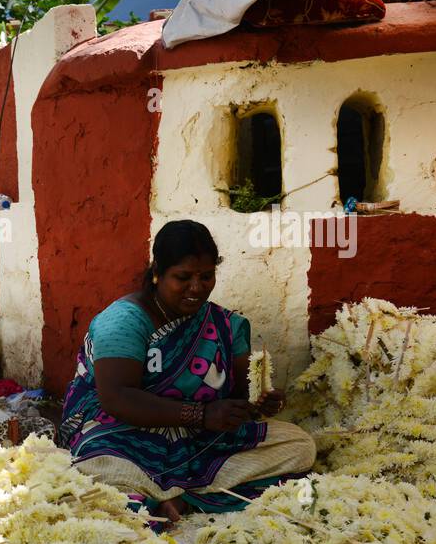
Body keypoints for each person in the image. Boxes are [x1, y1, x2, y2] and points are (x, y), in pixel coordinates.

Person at [55, 220, 315, 523]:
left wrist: (261, 402)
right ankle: (176, 495)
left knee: (299, 447)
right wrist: (201, 414)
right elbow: (116, 397)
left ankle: (181, 498)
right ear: (157, 273)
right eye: (183, 277)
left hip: (200, 441)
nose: (196, 287)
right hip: (124, 435)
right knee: (99, 471)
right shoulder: (124, 321)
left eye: (206, 277)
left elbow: (242, 393)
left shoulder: (223, 324)